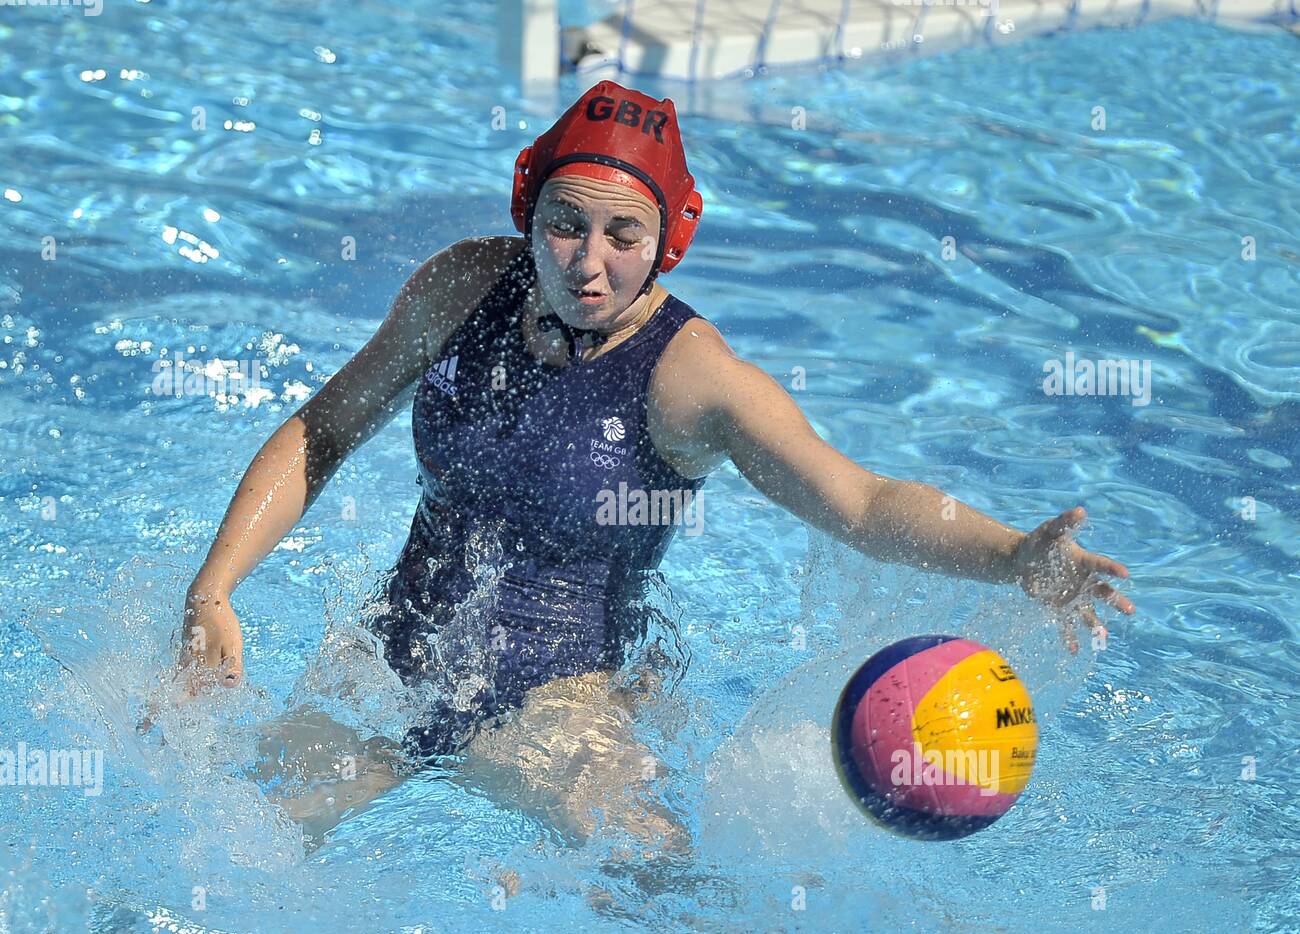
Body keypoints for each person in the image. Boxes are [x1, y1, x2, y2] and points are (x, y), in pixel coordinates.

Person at [175, 80, 1135, 854]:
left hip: (554, 710)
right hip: (390, 667)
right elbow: (328, 426)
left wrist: (1015, 557)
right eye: (563, 223)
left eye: (623, 235)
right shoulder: (464, 287)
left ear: (668, 239)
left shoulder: (690, 381)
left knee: (657, 894)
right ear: (528, 206)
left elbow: (860, 499)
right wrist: (214, 587)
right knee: (226, 849)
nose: (587, 262)